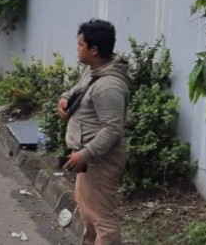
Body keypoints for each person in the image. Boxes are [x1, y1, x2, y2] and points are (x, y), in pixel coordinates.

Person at [56, 19, 131, 245]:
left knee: (103, 220)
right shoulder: (94, 70)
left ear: (94, 50)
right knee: (89, 214)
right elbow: (79, 88)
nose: (77, 49)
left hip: (100, 160)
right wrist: (66, 97)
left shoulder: (109, 86)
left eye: (80, 45)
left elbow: (112, 129)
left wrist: (85, 154)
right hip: (87, 158)